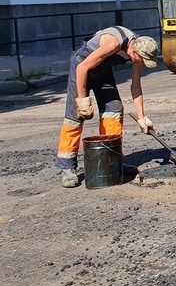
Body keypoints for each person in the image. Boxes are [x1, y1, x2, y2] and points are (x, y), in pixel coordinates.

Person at [56, 27, 158, 188]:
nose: (139, 62)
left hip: (102, 70)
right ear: (135, 50)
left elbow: (135, 85)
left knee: (114, 110)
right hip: (81, 67)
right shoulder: (113, 43)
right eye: (140, 59)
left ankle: (112, 161)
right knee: (75, 117)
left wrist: (141, 117)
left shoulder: (139, 48)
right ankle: (67, 167)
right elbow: (82, 68)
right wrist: (82, 100)